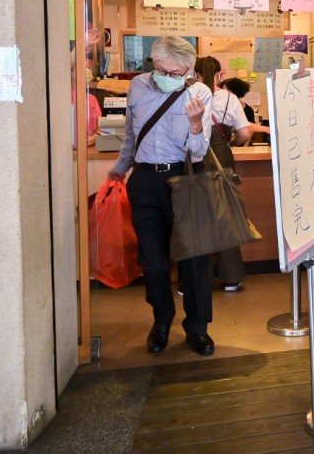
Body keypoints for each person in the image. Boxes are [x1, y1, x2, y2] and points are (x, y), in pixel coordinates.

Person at [107, 36, 216, 356]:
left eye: (174, 73)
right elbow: (131, 134)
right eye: (160, 70)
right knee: (153, 262)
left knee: (194, 259)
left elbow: (199, 151)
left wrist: (196, 124)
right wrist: (121, 166)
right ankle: (162, 320)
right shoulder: (138, 86)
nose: (165, 77)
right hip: (144, 181)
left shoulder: (200, 93)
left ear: (189, 69)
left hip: (184, 179)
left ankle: (197, 327)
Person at [193, 56, 261, 292]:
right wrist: (228, 141)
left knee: (196, 217)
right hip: (222, 157)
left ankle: (193, 280)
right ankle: (232, 277)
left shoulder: (190, 94)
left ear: (195, 72)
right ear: (220, 74)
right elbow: (244, 134)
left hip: (195, 157)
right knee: (225, 216)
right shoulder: (230, 98)